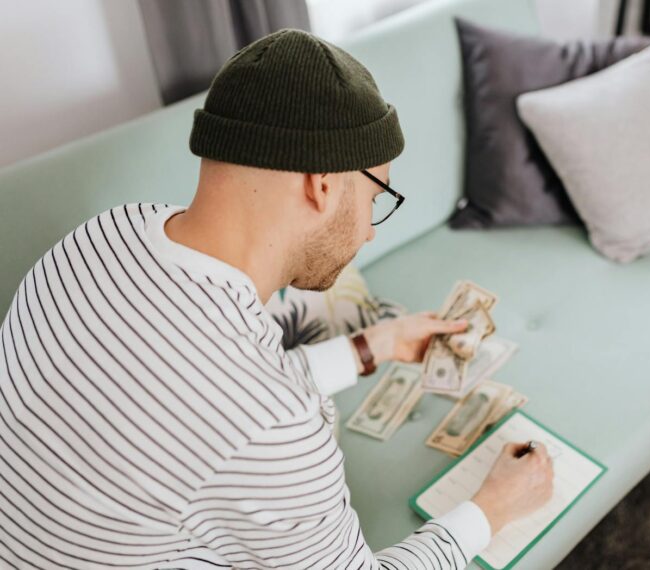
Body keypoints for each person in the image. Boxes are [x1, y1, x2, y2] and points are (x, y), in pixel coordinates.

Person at [0, 29, 553, 569]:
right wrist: (491, 508)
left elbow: (207, 404)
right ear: (323, 184)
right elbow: (247, 412)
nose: (368, 233)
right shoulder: (272, 422)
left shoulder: (100, 235)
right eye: (375, 198)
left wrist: (370, 346)